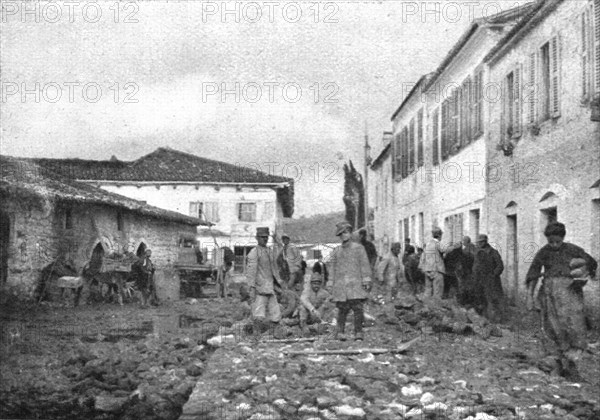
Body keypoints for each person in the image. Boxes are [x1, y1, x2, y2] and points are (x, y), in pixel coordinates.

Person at [525, 222, 597, 380]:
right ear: (547, 240)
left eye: (557, 241)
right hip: (550, 294)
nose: (554, 245)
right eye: (551, 242)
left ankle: (573, 365)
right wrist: (530, 297)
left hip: (570, 293)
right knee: (552, 326)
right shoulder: (543, 252)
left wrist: (585, 273)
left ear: (563, 238)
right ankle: (556, 362)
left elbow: (591, 263)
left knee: (574, 325)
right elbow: (533, 274)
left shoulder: (573, 249)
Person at [328, 221, 372, 341]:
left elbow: (365, 265)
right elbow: (331, 268)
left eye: (346, 232)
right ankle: (340, 332)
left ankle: (358, 332)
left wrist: (366, 280)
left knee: (358, 308)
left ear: (350, 233)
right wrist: (330, 283)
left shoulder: (359, 248)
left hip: (355, 284)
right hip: (341, 286)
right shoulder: (336, 251)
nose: (344, 235)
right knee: (342, 309)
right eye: (341, 234)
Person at [246, 227, 284, 336]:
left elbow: (274, 270)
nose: (265, 239)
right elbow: (251, 272)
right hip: (260, 288)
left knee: (275, 312)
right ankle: (256, 335)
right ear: (257, 238)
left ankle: (274, 334)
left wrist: (279, 284)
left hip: (270, 287)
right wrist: (252, 288)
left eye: (266, 237)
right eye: (262, 237)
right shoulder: (254, 253)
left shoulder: (269, 251)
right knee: (258, 313)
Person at [419, 227, 461, 301]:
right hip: (437, 270)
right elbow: (445, 250)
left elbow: (423, 256)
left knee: (428, 291)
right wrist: (455, 247)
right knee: (437, 292)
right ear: (439, 235)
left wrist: (422, 268)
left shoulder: (428, 244)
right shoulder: (437, 243)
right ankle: (436, 309)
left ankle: (426, 308)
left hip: (427, 270)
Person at [472, 234, 506, 323]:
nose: (479, 244)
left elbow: (500, 266)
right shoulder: (477, 252)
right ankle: (484, 319)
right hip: (480, 280)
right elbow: (475, 266)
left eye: (481, 242)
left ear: (485, 242)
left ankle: (496, 320)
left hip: (491, 281)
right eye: (478, 242)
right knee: (481, 299)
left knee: (493, 300)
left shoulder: (493, 252)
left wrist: (493, 275)